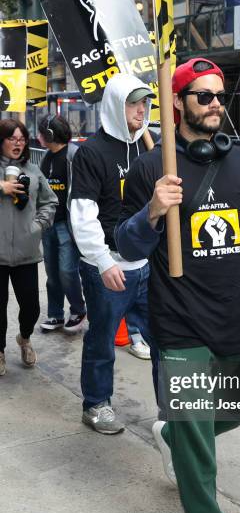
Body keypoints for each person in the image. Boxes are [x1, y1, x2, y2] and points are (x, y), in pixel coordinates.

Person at [115, 58, 240, 513]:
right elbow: (126, 245)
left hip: (236, 312)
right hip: (178, 316)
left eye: (220, 95)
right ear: (177, 104)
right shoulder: (153, 168)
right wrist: (152, 210)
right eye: (203, 95)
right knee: (194, 417)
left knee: (232, 412)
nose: (216, 102)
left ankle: (173, 435)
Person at [70, 73, 159, 434]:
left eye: (145, 103)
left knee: (165, 338)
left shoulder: (147, 149)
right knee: (103, 338)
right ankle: (96, 404)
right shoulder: (92, 152)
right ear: (114, 106)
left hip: (146, 265)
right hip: (106, 267)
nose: (141, 110)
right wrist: (104, 262)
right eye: (133, 103)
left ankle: (174, 406)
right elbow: (82, 214)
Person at [0, 119, 58, 375]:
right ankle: (0, 350)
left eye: (22, 139)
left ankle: (24, 338)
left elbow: (50, 201)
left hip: (26, 252)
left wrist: (38, 225)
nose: (17, 144)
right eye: (12, 138)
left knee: (31, 307)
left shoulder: (33, 171)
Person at [37, 115, 86, 334]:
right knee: (52, 274)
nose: (37, 137)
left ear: (49, 135)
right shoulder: (46, 157)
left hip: (67, 224)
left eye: (41, 133)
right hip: (48, 224)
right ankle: (55, 315)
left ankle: (78, 309)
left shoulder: (74, 155)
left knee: (67, 271)